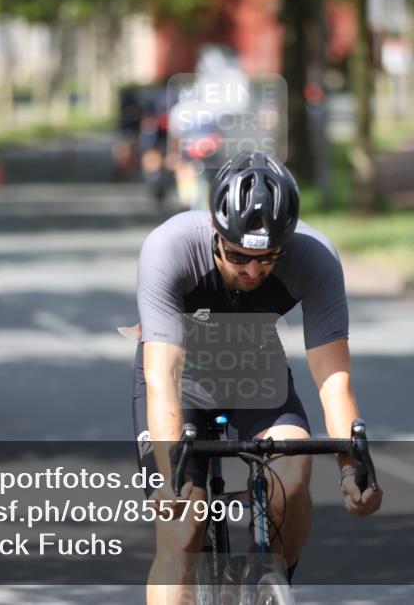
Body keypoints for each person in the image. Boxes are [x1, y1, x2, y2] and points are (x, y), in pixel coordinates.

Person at [133, 150, 382, 604]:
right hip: (181, 378)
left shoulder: (316, 257)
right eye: (237, 256)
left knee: (292, 474)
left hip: (256, 370)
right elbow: (162, 377)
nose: (253, 270)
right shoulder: (169, 248)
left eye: (268, 258)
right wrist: (171, 483)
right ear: (214, 230)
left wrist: (352, 468)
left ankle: (265, 585)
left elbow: (334, 381)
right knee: (182, 531)